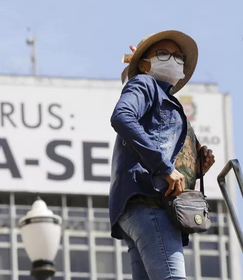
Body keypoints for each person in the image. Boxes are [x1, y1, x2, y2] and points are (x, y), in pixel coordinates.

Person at [109, 30, 216, 279]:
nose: (174, 59)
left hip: (142, 205)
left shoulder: (165, 100)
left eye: (178, 56)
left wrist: (196, 168)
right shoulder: (144, 84)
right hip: (150, 200)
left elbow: (161, 143)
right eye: (163, 53)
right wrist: (165, 169)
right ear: (144, 64)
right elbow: (122, 116)